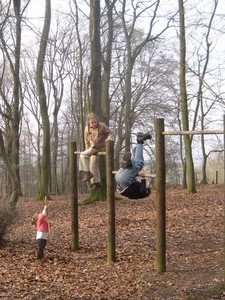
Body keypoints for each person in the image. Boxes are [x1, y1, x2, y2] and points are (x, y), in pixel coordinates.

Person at [79, 112, 114, 191]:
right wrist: (87, 150)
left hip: (98, 147)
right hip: (91, 148)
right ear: (88, 122)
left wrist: (109, 138)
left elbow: (110, 133)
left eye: (95, 122)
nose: (94, 124)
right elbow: (86, 141)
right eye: (92, 122)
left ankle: (87, 173)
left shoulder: (102, 126)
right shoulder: (86, 128)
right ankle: (97, 183)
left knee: (82, 155)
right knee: (93, 165)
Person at [115, 132, 152, 199]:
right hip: (118, 178)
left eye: (148, 186)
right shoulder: (135, 194)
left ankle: (139, 142)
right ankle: (131, 161)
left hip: (125, 182)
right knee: (134, 164)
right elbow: (133, 187)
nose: (148, 185)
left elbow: (143, 191)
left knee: (139, 164)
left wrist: (143, 179)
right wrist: (136, 174)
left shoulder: (144, 192)